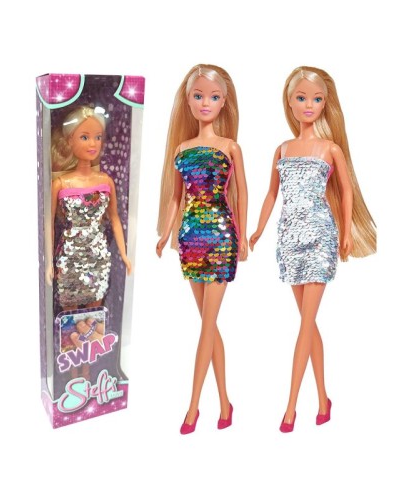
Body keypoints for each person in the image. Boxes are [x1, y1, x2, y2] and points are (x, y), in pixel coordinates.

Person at [250, 66, 376, 432]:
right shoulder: (283, 149)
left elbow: (347, 190)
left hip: (321, 236)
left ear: (325, 104)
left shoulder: (330, 149)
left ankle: (290, 406)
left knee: (305, 324)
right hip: (289, 239)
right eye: (301, 98)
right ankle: (322, 399)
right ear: (289, 103)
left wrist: (347, 231)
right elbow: (271, 193)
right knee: (308, 323)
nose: (309, 105)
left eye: (316, 99)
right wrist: (258, 229)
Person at [156, 64, 248, 434]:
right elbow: (175, 198)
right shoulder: (181, 149)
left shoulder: (230, 147)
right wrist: (165, 232)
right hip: (190, 239)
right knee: (209, 326)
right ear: (188, 101)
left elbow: (242, 194)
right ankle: (224, 403)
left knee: (207, 326)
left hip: (221, 237)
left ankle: (193, 407)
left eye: (213, 97)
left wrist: (242, 237)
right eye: (198, 96)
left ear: (224, 102)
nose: (205, 103)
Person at [45, 105, 132, 311]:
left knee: (95, 312)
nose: (93, 144)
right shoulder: (61, 184)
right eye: (84, 137)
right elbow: (48, 223)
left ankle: (95, 332)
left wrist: (124, 255)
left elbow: (115, 218)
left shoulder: (106, 181)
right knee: (69, 312)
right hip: (70, 255)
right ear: (69, 141)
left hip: (98, 255)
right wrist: (49, 262)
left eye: (98, 137)